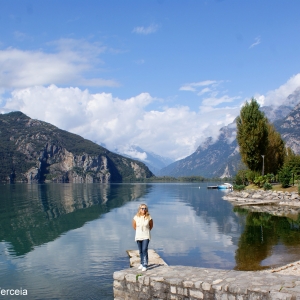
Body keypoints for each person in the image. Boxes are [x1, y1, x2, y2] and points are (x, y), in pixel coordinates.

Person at [132, 204, 153, 271]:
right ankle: (141, 263)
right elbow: (134, 226)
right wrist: (139, 231)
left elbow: (151, 225)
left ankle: (145, 264)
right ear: (139, 209)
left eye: (145, 208)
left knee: (144, 249)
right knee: (140, 251)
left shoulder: (148, 217)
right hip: (138, 236)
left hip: (146, 236)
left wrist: (146, 231)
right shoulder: (136, 217)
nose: (144, 210)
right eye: (142, 208)